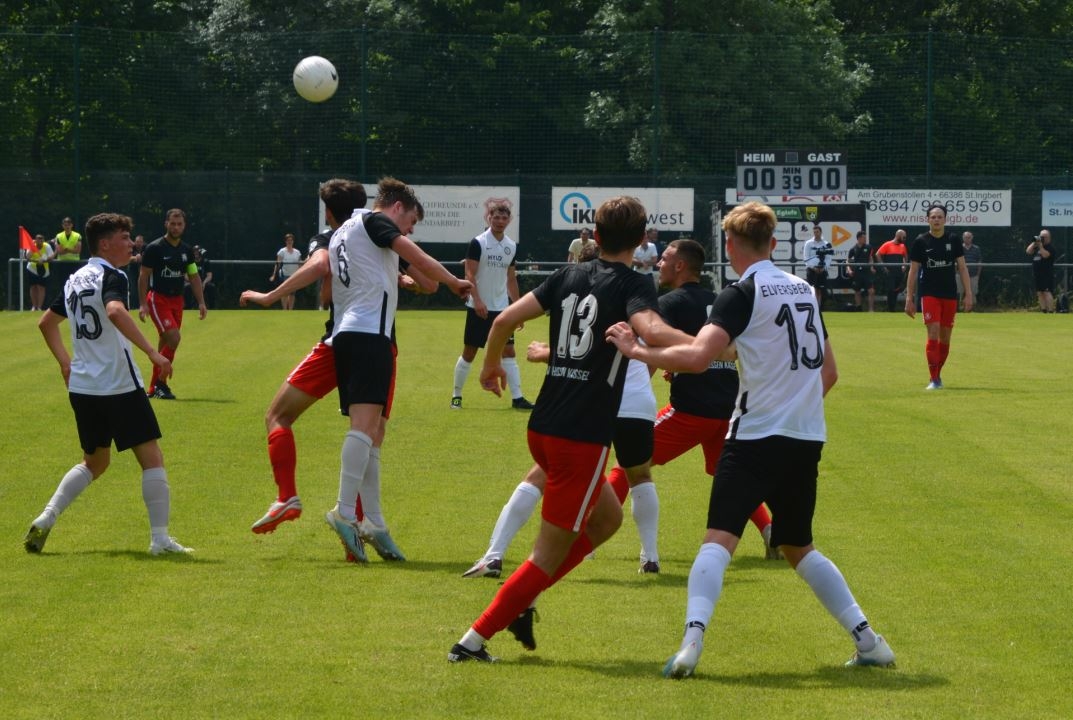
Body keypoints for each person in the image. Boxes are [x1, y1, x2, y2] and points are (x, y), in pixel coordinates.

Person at [606, 201, 895, 679]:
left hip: (755, 435)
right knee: (799, 546)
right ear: (774, 243)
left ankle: (691, 645)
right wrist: (793, 408)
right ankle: (870, 642)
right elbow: (829, 372)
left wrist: (637, 350)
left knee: (717, 542)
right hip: (806, 436)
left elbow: (698, 358)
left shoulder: (740, 293)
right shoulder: (804, 289)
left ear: (730, 245)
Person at [447, 196, 688, 664]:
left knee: (608, 520)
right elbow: (653, 330)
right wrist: (712, 346)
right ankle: (471, 641)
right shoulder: (634, 283)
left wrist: (490, 365)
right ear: (642, 241)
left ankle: (523, 600)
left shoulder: (568, 274)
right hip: (581, 435)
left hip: (544, 426)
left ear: (594, 236)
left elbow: (504, 319)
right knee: (545, 554)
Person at [240, 180, 432, 563]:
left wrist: (271, 295)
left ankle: (295, 498)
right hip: (373, 340)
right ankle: (355, 521)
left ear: (328, 212)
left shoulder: (334, 236)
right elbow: (427, 283)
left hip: (338, 340)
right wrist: (405, 279)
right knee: (369, 433)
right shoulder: (375, 231)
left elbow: (323, 278)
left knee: (286, 416)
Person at [24, 212, 191, 556]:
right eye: (124, 238)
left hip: (83, 388)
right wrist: (153, 353)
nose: (131, 244)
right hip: (118, 384)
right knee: (152, 459)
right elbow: (115, 311)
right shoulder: (112, 275)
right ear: (104, 244)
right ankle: (160, 540)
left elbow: (46, 324)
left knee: (95, 463)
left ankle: (46, 517)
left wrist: (65, 364)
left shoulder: (75, 279)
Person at [325, 177, 472, 563]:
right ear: (396, 208)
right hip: (369, 333)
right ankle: (344, 511)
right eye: (411, 222)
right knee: (364, 428)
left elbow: (422, 280)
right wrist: (454, 280)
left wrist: (410, 278)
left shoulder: (346, 230)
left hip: (348, 334)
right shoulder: (377, 223)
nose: (410, 231)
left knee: (373, 432)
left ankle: (374, 521)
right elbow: (420, 259)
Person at [461, 345, 660, 579]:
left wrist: (544, 353)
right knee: (640, 476)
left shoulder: (602, 318)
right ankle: (650, 558)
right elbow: (652, 350)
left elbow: (583, 353)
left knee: (543, 472)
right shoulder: (641, 320)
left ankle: (493, 555)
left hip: (592, 402)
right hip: (637, 401)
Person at [450, 201, 534, 411]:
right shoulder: (478, 242)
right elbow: (469, 274)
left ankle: (518, 398)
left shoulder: (511, 246)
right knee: (470, 353)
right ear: (489, 218)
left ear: (509, 220)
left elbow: (511, 279)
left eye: (504, 218)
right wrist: (477, 300)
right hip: (479, 308)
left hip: (502, 310)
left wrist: (518, 308)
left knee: (509, 352)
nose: (500, 221)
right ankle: (456, 396)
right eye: (496, 217)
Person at [138, 209, 208, 400]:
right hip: (158, 299)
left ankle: (153, 388)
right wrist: (143, 303)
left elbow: (193, 276)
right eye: (173, 223)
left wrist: (201, 302)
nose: (176, 227)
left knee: (166, 343)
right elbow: (143, 276)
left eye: (179, 224)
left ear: (184, 226)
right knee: (174, 338)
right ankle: (161, 383)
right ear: (166, 224)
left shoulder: (187, 251)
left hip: (177, 301)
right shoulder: (154, 248)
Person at [905, 204, 974, 390]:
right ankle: (934, 379)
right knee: (933, 332)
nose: (936, 220)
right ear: (927, 219)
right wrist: (909, 298)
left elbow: (962, 267)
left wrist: (968, 294)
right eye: (933, 217)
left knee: (945, 338)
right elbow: (913, 271)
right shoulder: (921, 241)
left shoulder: (953, 239)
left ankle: (937, 374)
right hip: (929, 293)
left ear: (945, 219)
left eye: (939, 217)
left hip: (949, 294)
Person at [876, 229, 909, 312]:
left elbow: (905, 256)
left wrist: (904, 266)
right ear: (898, 236)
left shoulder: (902, 246)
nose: (904, 239)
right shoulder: (887, 244)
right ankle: (891, 309)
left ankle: (892, 308)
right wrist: (883, 267)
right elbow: (878, 254)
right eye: (903, 237)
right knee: (891, 290)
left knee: (897, 290)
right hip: (890, 272)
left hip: (899, 272)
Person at [270, 233, 304, 310]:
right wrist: (274, 275)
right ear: (285, 241)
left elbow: (300, 264)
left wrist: (302, 274)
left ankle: (290, 310)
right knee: (284, 293)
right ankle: (285, 310)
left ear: (293, 241)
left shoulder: (297, 252)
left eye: (291, 240)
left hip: (294, 275)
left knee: (292, 294)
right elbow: (277, 264)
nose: (290, 242)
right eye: (288, 240)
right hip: (284, 274)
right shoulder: (282, 251)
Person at [802, 223, 832, 305]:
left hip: (822, 269)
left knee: (820, 290)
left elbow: (828, 258)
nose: (816, 233)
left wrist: (823, 268)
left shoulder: (826, 243)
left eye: (817, 232)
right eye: (814, 232)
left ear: (821, 232)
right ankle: (812, 306)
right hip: (811, 270)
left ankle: (818, 307)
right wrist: (813, 268)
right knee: (812, 290)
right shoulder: (808, 243)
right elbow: (806, 258)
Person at [845, 230, 876, 312]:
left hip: (867, 272)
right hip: (857, 272)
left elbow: (870, 258)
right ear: (859, 238)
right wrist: (849, 269)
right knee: (857, 291)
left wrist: (872, 267)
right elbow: (848, 260)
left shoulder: (869, 247)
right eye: (863, 238)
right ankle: (859, 308)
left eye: (865, 238)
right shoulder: (853, 249)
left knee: (871, 291)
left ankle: (871, 310)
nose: (865, 239)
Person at [1027, 230, 1056, 313]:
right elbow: (1028, 251)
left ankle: (1050, 311)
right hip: (1037, 274)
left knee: (1047, 292)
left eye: (1045, 237)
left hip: (1046, 274)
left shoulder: (1050, 248)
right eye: (1041, 237)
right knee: (1039, 293)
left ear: (1049, 238)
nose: (1043, 239)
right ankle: (1044, 310)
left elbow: (1045, 255)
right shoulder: (1036, 246)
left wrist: (1040, 246)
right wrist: (1034, 242)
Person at [52, 216, 83, 291]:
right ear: (63, 226)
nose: (67, 227)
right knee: (62, 284)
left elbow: (78, 250)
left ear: (72, 225)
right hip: (62, 263)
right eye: (65, 225)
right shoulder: (59, 236)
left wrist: (66, 249)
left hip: (74, 263)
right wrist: (72, 249)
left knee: (74, 284)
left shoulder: (77, 236)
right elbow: (59, 251)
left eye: (69, 225)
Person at [24, 233, 52, 311]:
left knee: (41, 288)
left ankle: (39, 307)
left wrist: (43, 260)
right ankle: (34, 306)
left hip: (44, 270)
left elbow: (51, 257)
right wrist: (33, 249)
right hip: (32, 269)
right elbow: (28, 257)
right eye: (38, 239)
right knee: (33, 287)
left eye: (41, 239)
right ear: (35, 240)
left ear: (43, 240)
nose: (40, 241)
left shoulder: (47, 246)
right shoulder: (31, 245)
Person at [184, 245, 216, 310]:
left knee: (211, 286)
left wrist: (204, 283)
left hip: (203, 283)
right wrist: (194, 283)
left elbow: (209, 275)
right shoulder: (190, 262)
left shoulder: (205, 262)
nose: (196, 253)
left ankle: (212, 307)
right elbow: (186, 275)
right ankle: (188, 307)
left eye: (197, 251)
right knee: (186, 287)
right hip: (192, 282)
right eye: (194, 251)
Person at [957, 231, 982, 311]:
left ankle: (972, 309)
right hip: (960, 275)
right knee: (959, 292)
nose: (967, 239)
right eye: (966, 237)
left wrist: (978, 275)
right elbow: (955, 261)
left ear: (972, 238)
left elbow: (979, 262)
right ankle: (960, 309)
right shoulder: (959, 248)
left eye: (969, 237)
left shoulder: (976, 249)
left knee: (973, 292)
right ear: (963, 238)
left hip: (973, 275)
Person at [126, 235, 146, 309]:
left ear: (143, 243)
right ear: (135, 242)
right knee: (133, 290)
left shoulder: (146, 248)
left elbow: (150, 257)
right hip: (132, 271)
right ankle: (134, 307)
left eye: (140, 242)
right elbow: (126, 258)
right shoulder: (131, 247)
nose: (139, 244)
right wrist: (135, 258)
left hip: (143, 271)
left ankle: (143, 305)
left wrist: (143, 258)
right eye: (137, 242)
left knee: (143, 289)